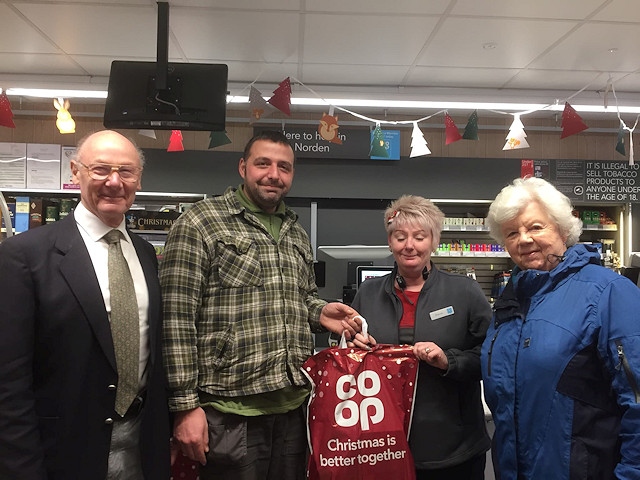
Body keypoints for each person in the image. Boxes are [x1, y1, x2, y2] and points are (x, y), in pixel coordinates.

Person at [159, 130, 361, 480]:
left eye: (284, 167)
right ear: (242, 167)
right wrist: (183, 406)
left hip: (293, 407)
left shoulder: (295, 232)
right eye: (263, 163)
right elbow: (175, 318)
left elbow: (297, 299)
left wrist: (320, 312)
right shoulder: (200, 222)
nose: (274, 174)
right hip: (228, 411)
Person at [0, 130, 171, 480]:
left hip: (143, 444)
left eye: (126, 171)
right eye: (100, 170)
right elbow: (9, 382)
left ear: (139, 179)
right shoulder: (24, 256)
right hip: (63, 452)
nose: (114, 181)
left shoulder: (145, 254)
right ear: (75, 172)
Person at [481, 176, 640, 479]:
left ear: (563, 229)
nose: (523, 239)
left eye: (535, 227)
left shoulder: (609, 293)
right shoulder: (510, 301)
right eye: (512, 233)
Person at [349, 194, 492, 480]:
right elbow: (346, 351)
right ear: (390, 242)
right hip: (383, 442)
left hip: (452, 445)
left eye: (419, 236)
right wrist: (353, 346)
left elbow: (492, 356)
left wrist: (448, 361)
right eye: (400, 237)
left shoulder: (464, 292)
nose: (409, 246)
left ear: (434, 241)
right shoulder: (368, 293)